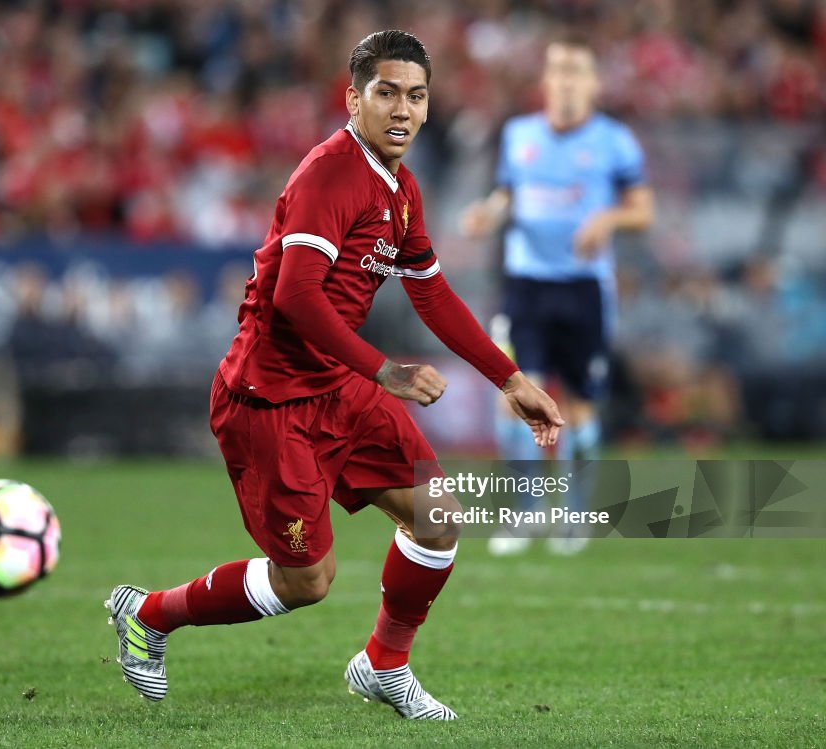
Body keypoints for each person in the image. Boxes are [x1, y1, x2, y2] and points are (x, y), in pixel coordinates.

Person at [106, 30, 563, 721]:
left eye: (416, 95)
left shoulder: (402, 188)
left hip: (338, 387)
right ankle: (149, 614)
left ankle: (384, 665)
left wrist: (508, 378)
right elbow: (295, 294)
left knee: (438, 516)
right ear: (354, 98)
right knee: (307, 581)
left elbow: (431, 292)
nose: (402, 109)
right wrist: (385, 371)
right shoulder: (330, 173)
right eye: (386, 93)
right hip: (271, 399)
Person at [461, 33, 654, 556]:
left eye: (577, 72)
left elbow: (643, 208)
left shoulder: (614, 140)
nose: (566, 81)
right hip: (525, 284)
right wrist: (489, 213)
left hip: (584, 287)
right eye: (558, 71)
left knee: (580, 408)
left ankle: (574, 511)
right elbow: (508, 193)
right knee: (513, 398)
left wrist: (607, 217)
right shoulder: (519, 135)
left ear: (593, 83)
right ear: (545, 82)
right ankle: (526, 512)